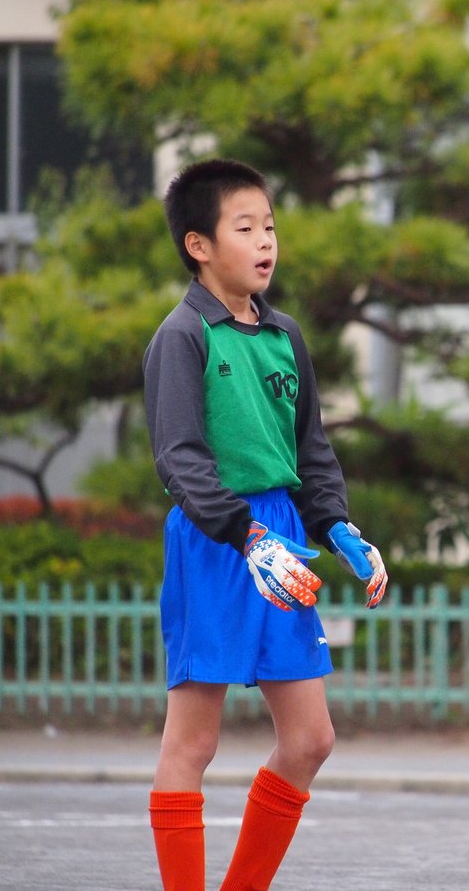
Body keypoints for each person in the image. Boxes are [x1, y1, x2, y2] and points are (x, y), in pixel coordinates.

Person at [142, 158, 387, 891]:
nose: (265, 242)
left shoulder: (286, 336)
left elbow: (310, 448)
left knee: (310, 739)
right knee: (194, 743)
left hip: (283, 533)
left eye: (270, 227)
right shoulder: (182, 336)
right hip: (216, 539)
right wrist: (247, 536)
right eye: (245, 227)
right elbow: (180, 460)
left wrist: (338, 529)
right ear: (199, 245)